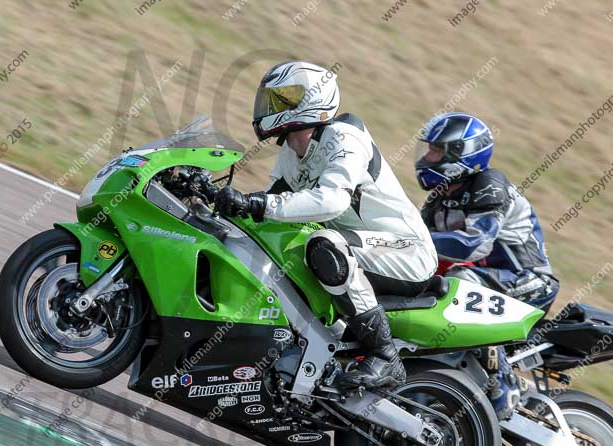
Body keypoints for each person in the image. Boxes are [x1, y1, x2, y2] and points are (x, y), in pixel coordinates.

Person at [214, 61, 438, 390]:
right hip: (362, 249)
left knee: (326, 245)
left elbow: (332, 200)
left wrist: (260, 204)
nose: (272, 107)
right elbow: (270, 204)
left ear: (313, 99)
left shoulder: (345, 137)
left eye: (284, 99)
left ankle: (384, 356)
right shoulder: (292, 152)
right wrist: (217, 200)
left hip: (406, 250)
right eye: (271, 99)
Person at [415, 112, 559, 417]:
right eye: (428, 149)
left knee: (462, 282)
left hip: (529, 281)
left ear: (462, 154)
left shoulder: (490, 184)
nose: (426, 157)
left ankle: (504, 384)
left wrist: (415, 241)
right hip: (485, 280)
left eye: (436, 151)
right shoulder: (438, 199)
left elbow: (475, 243)